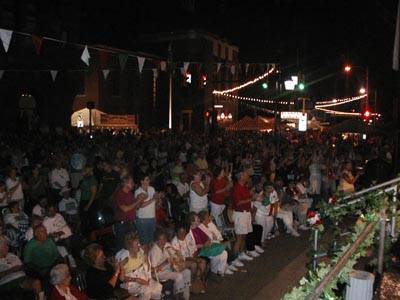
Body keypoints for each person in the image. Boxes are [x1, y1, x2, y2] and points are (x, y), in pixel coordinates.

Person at [116, 232, 163, 300]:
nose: (139, 245)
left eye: (139, 243)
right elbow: (122, 278)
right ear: (130, 246)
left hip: (143, 277)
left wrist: (146, 260)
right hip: (132, 282)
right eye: (137, 244)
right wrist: (136, 279)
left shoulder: (140, 252)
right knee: (147, 290)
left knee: (158, 286)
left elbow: (148, 268)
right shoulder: (125, 257)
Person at [187, 212, 233, 279]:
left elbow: (207, 236)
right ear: (192, 222)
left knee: (224, 253)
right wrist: (203, 245)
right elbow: (192, 246)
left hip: (207, 247)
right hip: (200, 251)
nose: (199, 220)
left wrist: (208, 241)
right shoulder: (189, 232)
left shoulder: (198, 227)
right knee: (216, 257)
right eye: (197, 219)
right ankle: (213, 272)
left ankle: (220, 272)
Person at [149, 230, 191, 300]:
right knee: (179, 276)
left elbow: (175, 255)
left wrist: (177, 256)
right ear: (156, 240)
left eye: (164, 239)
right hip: (160, 273)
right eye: (160, 239)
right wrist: (165, 262)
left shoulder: (167, 245)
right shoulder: (153, 251)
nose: (163, 241)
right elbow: (153, 271)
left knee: (187, 272)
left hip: (170, 268)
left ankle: (186, 296)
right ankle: (179, 296)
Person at [0, 236, 45, 300]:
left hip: (22, 277)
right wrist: (11, 270)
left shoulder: (11, 255)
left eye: (7, 246)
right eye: (5, 247)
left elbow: (23, 266)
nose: (7, 247)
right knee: (18, 290)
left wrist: (23, 267)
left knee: (37, 282)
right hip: (8, 282)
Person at [112, 174, 144, 251]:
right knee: (121, 247)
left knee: (132, 246)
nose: (133, 184)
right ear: (126, 183)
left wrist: (140, 199)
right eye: (131, 182)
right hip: (122, 225)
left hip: (130, 224)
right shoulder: (120, 194)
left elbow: (136, 207)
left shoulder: (130, 193)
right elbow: (125, 209)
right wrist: (137, 201)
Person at [170, 226, 207, 292]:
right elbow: (180, 258)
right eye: (180, 233)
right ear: (176, 233)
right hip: (181, 262)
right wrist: (194, 259)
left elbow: (195, 249)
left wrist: (195, 257)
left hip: (192, 257)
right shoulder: (174, 242)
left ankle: (195, 281)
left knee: (203, 262)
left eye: (184, 232)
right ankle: (190, 284)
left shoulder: (188, 237)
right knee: (194, 265)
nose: (182, 234)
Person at [231, 170, 256, 262]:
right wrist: (251, 198)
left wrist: (251, 195)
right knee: (239, 237)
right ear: (241, 176)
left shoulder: (244, 186)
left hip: (246, 213)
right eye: (246, 175)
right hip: (240, 214)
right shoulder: (237, 188)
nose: (248, 176)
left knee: (244, 235)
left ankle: (241, 253)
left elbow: (245, 198)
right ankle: (234, 259)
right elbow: (238, 202)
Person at [134, 173, 163, 253]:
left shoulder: (151, 189)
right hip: (142, 219)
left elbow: (154, 202)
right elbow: (141, 205)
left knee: (151, 240)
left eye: (149, 179)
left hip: (152, 217)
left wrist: (158, 198)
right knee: (144, 241)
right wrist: (154, 198)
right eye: (147, 180)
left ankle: (150, 258)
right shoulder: (138, 191)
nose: (149, 181)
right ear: (141, 181)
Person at [79, 166, 98, 236]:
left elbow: (93, 194)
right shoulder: (84, 179)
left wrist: (88, 205)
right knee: (83, 219)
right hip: (83, 200)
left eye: (82, 171)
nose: (81, 173)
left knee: (91, 220)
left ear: (86, 171)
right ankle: (84, 235)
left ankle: (92, 235)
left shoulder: (92, 180)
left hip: (90, 202)